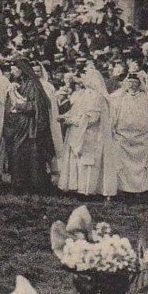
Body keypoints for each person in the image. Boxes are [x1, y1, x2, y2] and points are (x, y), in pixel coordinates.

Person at [58, 70, 117, 198]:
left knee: (89, 162)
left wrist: (71, 120)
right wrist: (65, 116)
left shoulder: (97, 97)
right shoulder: (84, 94)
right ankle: (79, 188)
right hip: (79, 131)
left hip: (92, 134)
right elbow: (76, 110)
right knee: (79, 161)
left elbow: (92, 118)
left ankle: (88, 190)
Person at [3, 57, 56, 194]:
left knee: (30, 156)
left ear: (21, 69)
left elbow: (36, 106)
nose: (12, 71)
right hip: (19, 124)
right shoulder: (18, 83)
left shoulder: (33, 84)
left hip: (30, 126)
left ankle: (33, 186)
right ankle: (20, 185)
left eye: (14, 68)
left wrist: (20, 105)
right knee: (18, 155)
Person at [109, 75, 148, 194]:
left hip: (141, 137)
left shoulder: (145, 98)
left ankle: (142, 188)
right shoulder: (119, 98)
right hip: (123, 137)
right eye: (130, 82)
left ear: (139, 84)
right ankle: (125, 189)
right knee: (123, 165)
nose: (132, 85)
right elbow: (113, 114)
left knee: (141, 164)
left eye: (135, 82)